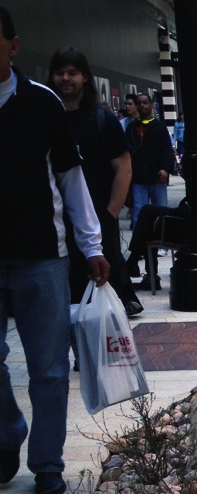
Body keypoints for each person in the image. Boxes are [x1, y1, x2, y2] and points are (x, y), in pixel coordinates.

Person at [0, 6, 109, 494]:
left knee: (48, 368)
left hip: (42, 257)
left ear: (13, 46)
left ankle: (47, 462)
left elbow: (70, 179)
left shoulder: (42, 104)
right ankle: (7, 435)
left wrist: (92, 246)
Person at [46, 46, 141, 319]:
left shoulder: (101, 119)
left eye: (72, 73)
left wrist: (110, 214)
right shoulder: (45, 117)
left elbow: (124, 169)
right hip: (53, 221)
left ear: (85, 76)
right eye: (60, 73)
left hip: (97, 217)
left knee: (100, 285)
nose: (66, 78)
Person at [127, 92, 175, 229]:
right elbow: (127, 151)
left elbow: (167, 149)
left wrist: (165, 169)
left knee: (161, 211)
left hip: (158, 176)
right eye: (139, 103)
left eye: (145, 103)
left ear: (152, 106)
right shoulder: (131, 127)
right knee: (139, 211)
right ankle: (139, 240)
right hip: (138, 177)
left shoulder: (159, 127)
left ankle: (161, 239)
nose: (142, 105)